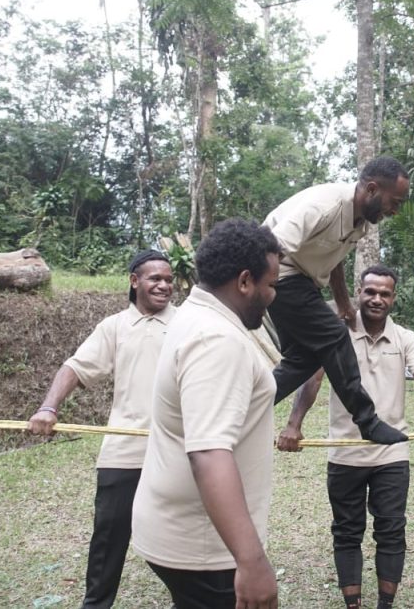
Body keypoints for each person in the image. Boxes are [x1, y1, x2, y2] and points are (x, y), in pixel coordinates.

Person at [277, 264, 414, 609]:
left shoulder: (405, 337)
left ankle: (385, 605)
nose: (377, 299)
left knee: (391, 530)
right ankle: (353, 605)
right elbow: (313, 380)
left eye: (384, 293)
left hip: (391, 455)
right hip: (345, 452)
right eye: (370, 291)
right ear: (358, 292)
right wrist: (293, 424)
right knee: (347, 532)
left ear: (393, 298)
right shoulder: (334, 333)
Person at [131, 219, 282, 609]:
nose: (273, 296)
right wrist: (251, 560)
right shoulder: (217, 339)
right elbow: (209, 453)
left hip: (185, 529)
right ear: (245, 281)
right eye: (271, 285)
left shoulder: (194, 316)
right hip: (202, 545)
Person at [27, 250, 175, 608]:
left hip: (175, 452)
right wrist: (49, 407)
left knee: (178, 536)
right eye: (155, 278)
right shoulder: (114, 327)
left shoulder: (188, 323)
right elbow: (74, 368)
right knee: (108, 538)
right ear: (134, 281)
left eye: (169, 279)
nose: (164, 285)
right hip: (123, 451)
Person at [263, 156, 410, 445]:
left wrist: (343, 302)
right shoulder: (324, 206)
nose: (396, 210)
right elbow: (270, 247)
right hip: (278, 274)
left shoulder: (361, 220)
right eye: (395, 201)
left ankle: (250, 408)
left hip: (303, 280)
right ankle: (367, 421)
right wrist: (254, 297)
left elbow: (335, 258)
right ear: (371, 189)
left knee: (304, 358)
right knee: (333, 336)